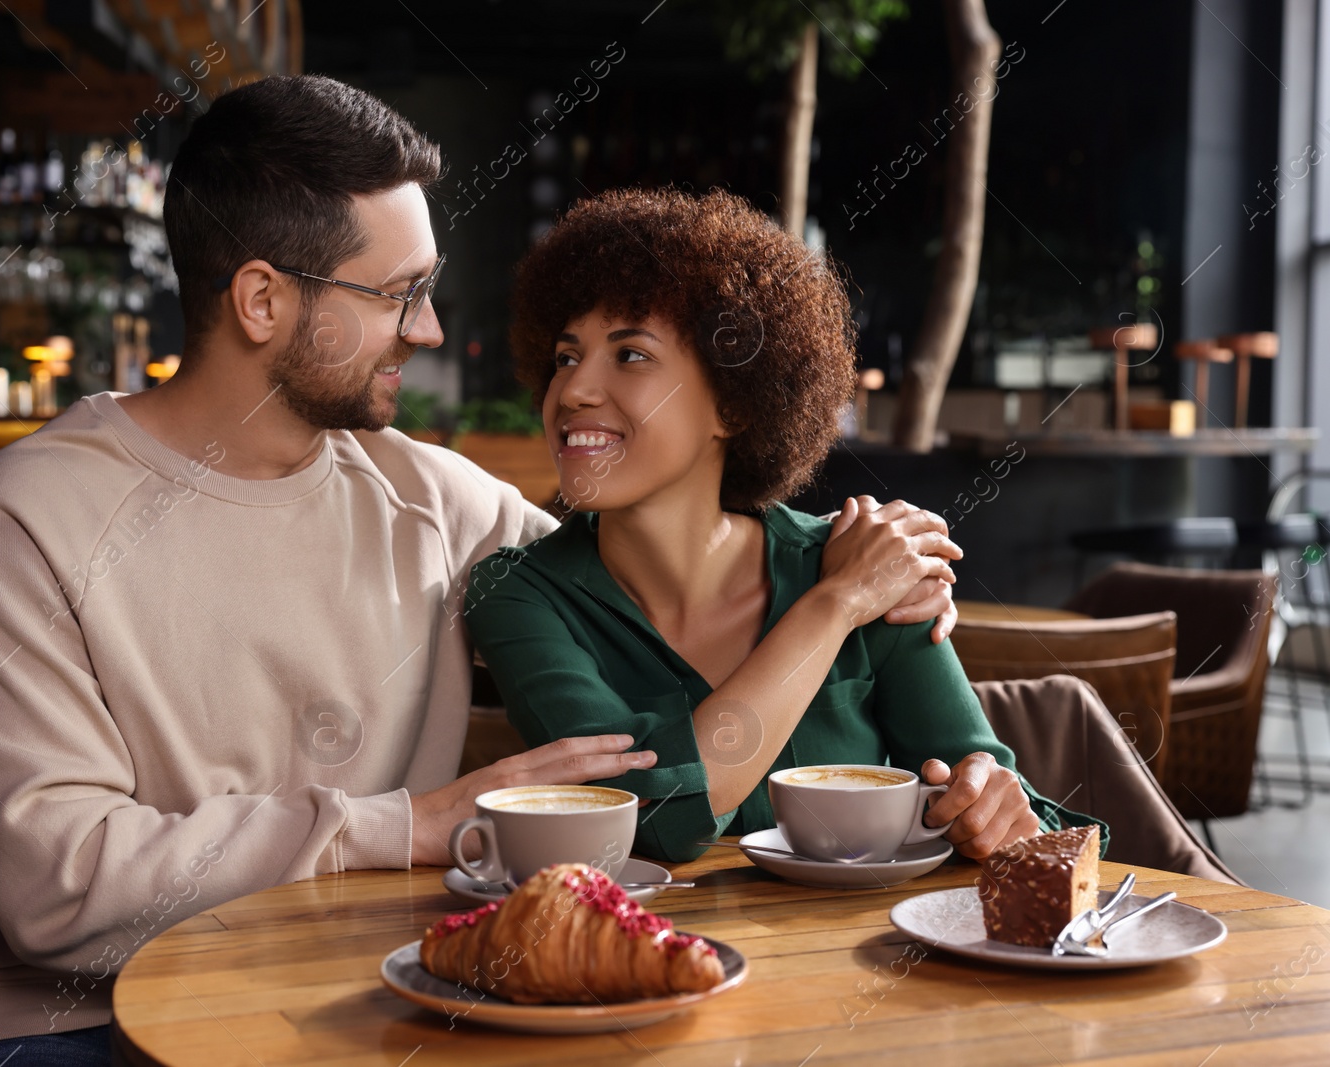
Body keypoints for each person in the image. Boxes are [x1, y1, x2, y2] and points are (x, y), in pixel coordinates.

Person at [0, 79, 957, 1066]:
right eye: (399, 294)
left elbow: (652, 603)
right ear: (261, 301)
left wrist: (872, 573)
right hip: (62, 1022)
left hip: (356, 1000)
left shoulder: (440, 501)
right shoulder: (26, 515)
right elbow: (57, 888)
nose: (430, 329)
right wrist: (401, 823)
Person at [465, 186, 1106, 865]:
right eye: (566, 357)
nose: (574, 390)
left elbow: (1012, 813)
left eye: (630, 355)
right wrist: (837, 605)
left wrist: (994, 808)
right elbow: (643, 820)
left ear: (733, 405)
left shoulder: (862, 557)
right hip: (639, 964)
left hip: (859, 968)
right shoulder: (518, 596)